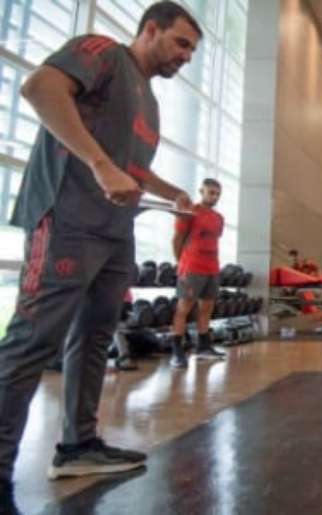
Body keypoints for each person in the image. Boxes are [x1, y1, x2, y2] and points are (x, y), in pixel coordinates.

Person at [0, 2, 201, 507]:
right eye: (181, 43)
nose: (186, 57)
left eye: (193, 50)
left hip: (114, 234)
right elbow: (40, 88)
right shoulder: (103, 53)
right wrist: (98, 165)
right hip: (67, 219)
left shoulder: (149, 102)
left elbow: (130, 165)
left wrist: (172, 190)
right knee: (32, 341)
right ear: (149, 29)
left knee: (92, 339)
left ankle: (77, 445)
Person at [170, 178, 226, 368]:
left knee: (207, 308)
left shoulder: (219, 218)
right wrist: (182, 263)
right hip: (192, 267)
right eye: (211, 192)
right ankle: (177, 351)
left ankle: (203, 347)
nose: (214, 196)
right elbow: (177, 239)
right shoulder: (189, 212)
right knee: (183, 309)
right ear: (201, 191)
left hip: (212, 268)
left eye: (217, 193)